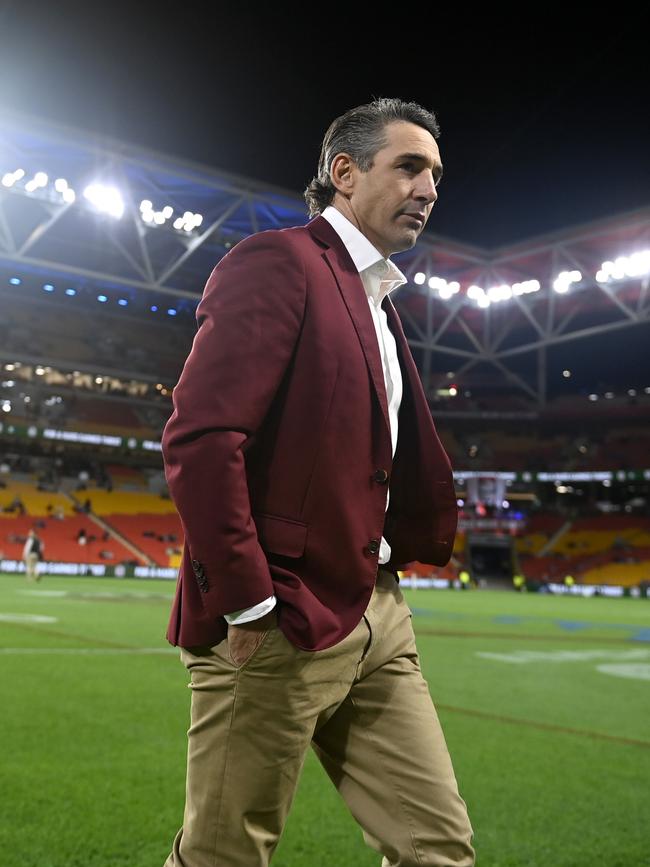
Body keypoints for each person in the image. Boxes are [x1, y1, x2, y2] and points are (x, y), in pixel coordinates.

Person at [161, 97, 475, 867]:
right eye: (409, 166)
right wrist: (250, 600)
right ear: (344, 172)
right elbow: (202, 438)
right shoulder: (280, 262)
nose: (429, 187)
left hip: (380, 616)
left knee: (438, 847)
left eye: (435, 172)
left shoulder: (378, 299)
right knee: (224, 856)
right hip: (280, 619)